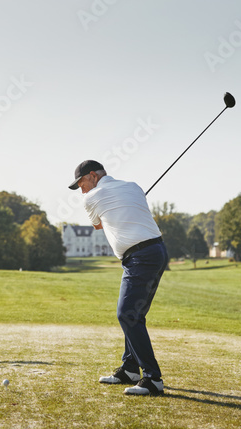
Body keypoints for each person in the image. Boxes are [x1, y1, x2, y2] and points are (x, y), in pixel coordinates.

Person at [69, 160, 168, 396]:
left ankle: (153, 378)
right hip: (157, 251)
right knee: (134, 314)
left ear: (93, 176)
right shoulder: (133, 186)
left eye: (82, 184)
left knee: (126, 314)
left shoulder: (90, 198)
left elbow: (97, 226)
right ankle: (130, 369)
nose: (82, 191)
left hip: (141, 257)